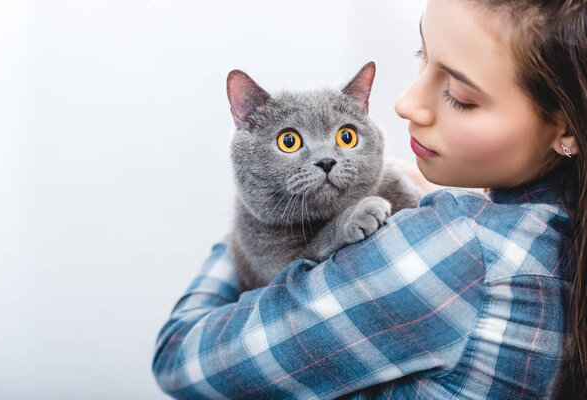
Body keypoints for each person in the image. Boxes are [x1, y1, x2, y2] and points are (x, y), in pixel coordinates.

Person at [152, 0, 587, 398]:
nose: (405, 103)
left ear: (566, 125)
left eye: (460, 95)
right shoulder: (556, 223)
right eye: (423, 56)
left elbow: (177, 361)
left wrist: (248, 223)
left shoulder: (454, 248)